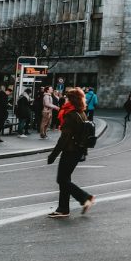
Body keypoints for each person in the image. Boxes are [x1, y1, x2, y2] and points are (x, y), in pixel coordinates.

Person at [46, 87, 95, 218]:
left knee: (62, 179)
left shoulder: (70, 114)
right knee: (65, 179)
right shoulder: (81, 112)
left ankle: (85, 198)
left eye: (67, 97)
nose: (65, 99)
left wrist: (53, 155)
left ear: (72, 100)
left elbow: (64, 138)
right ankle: (63, 209)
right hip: (77, 150)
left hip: (70, 150)